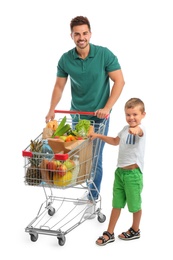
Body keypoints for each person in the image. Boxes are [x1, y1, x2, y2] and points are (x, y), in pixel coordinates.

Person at [45, 16, 125, 216]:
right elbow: (59, 86)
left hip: (98, 116)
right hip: (78, 115)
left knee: (95, 158)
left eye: (85, 33)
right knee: (81, 156)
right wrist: (52, 108)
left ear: (90, 33)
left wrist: (106, 108)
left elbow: (120, 81)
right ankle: (86, 190)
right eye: (77, 34)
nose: (81, 37)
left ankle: (92, 198)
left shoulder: (104, 54)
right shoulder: (65, 59)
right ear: (71, 36)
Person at [89, 98, 146, 245]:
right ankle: (110, 232)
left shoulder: (141, 129)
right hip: (120, 173)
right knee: (116, 204)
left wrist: (136, 129)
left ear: (143, 115)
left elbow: (138, 131)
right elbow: (115, 141)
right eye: (128, 114)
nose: (131, 118)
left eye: (135, 114)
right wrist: (98, 136)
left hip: (133, 175)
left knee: (135, 205)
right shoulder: (124, 129)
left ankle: (135, 229)